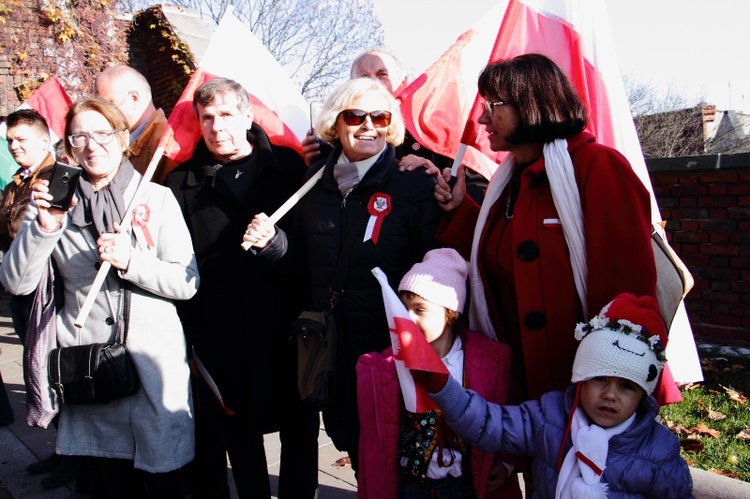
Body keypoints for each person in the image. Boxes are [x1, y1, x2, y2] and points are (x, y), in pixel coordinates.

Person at [433, 53, 680, 406]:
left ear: (530, 105)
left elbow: (628, 291)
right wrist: (460, 210)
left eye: (493, 104)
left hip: (584, 392)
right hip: (520, 391)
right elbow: (506, 253)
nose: (483, 116)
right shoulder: (506, 181)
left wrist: (611, 388)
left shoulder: (598, 168)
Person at [0, 97, 199, 497]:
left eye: (103, 133)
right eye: (80, 137)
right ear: (69, 147)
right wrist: (43, 229)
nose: (92, 146)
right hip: (89, 373)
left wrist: (132, 261)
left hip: (152, 373)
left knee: (164, 484)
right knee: (103, 485)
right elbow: (17, 283)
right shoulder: (53, 205)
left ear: (123, 138)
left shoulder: (156, 200)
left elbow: (187, 282)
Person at [245, 77, 444, 474]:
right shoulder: (314, 181)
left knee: (405, 459)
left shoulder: (413, 183)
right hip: (334, 349)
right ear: (335, 125)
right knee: (354, 447)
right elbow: (302, 263)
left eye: (379, 116)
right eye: (354, 115)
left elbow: (433, 264)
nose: (368, 125)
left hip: (393, 352)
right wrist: (272, 243)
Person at [163, 77, 317, 499]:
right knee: (240, 438)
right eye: (206, 118)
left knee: (299, 432)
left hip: (288, 329)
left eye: (227, 114)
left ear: (248, 116)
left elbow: (313, 248)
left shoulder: (290, 170)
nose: (216, 126)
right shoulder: (178, 186)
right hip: (220, 336)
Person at [413, 293, 694, 498]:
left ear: (642, 395)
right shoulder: (548, 418)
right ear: (581, 378)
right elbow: (489, 423)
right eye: (600, 379)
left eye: (627, 387)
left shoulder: (657, 450)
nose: (610, 395)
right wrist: (444, 388)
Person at [356, 248, 522, 498]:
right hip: (410, 486)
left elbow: (511, 417)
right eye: (404, 308)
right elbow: (375, 440)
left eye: (420, 309)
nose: (408, 319)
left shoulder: (490, 363)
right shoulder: (385, 368)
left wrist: (507, 462)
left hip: (465, 484)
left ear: (451, 312)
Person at [303, 50, 487, 201]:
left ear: (403, 81)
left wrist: (438, 183)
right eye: (364, 76)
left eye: (382, 75)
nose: (373, 83)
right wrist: (319, 162)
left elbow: (479, 193)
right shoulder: (339, 140)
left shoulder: (434, 128)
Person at [1, 109, 55, 345]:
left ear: (45, 142)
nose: (14, 146)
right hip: (18, 284)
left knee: (44, 365)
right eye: (10, 140)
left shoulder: (57, 178)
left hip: (45, 290)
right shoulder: (16, 183)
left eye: (22, 139)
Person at [94, 64, 169, 182]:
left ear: (134, 98)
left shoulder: (163, 146)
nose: (102, 113)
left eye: (108, 104)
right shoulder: (125, 141)